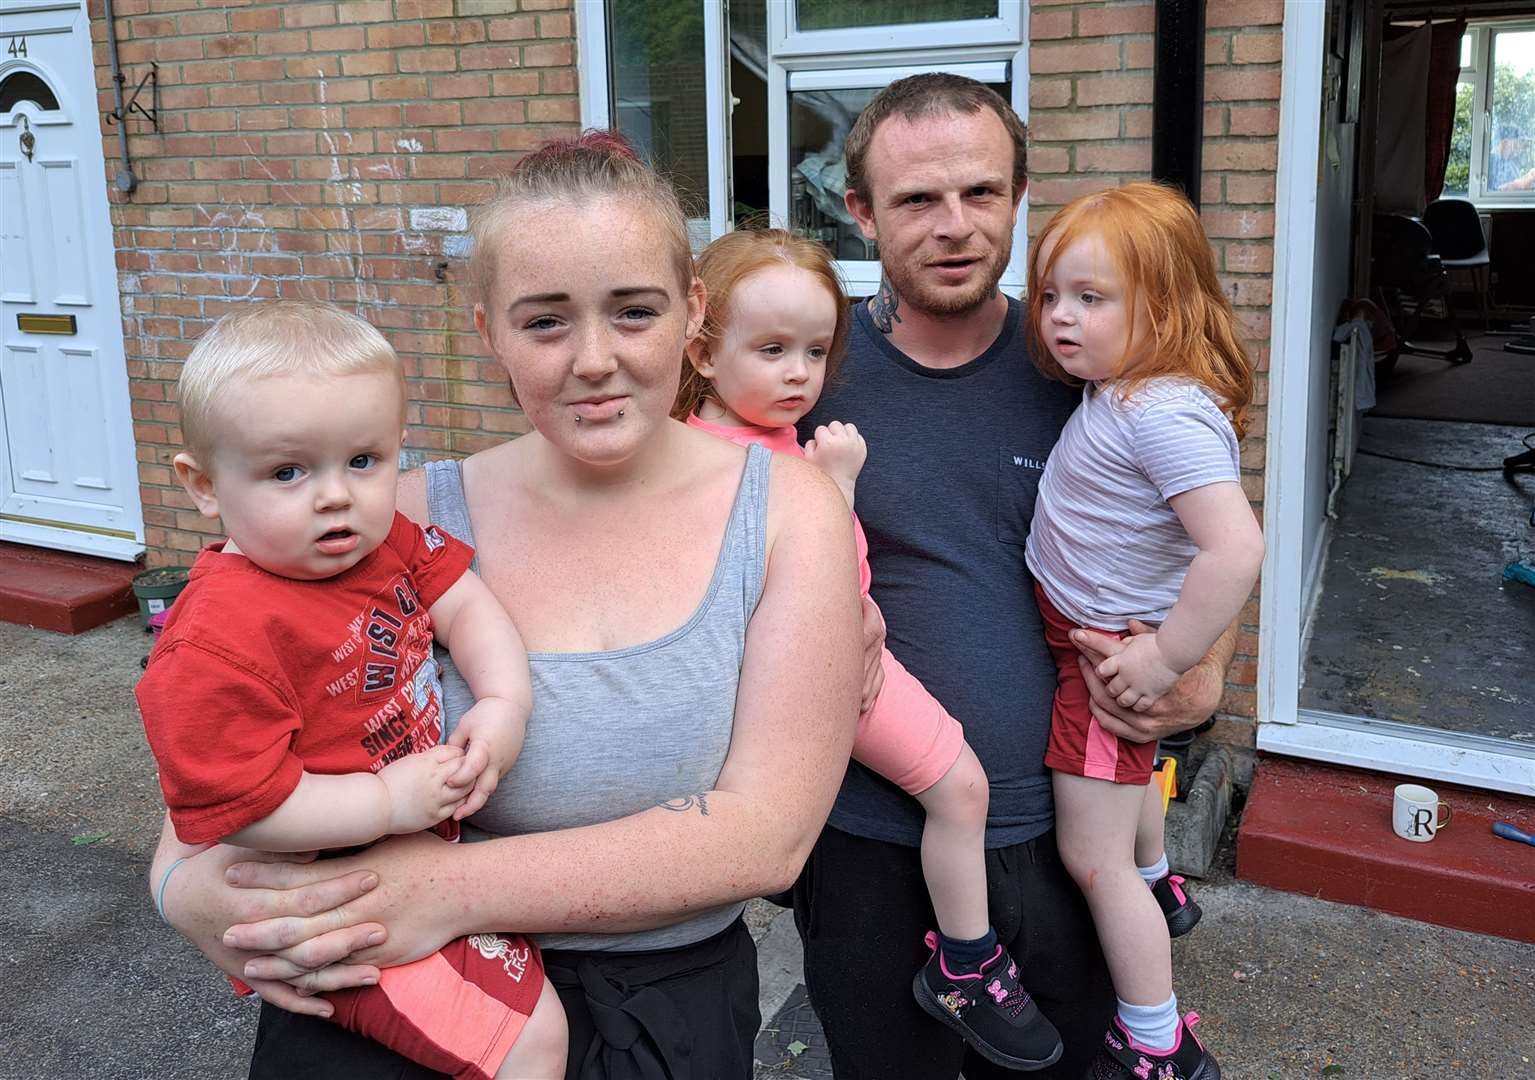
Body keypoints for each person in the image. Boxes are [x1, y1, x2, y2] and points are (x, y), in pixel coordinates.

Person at [145, 131, 865, 1078]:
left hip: (661, 1018)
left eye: (634, 311)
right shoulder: (383, 515)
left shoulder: (786, 511)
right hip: (390, 999)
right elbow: (204, 791)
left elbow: (766, 835)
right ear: (487, 330)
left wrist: (447, 888)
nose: (595, 358)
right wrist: (189, 897)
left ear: (693, 310)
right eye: (544, 322)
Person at [791, 73, 1236, 1079]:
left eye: (980, 193)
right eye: (914, 200)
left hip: (1061, 841)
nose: (953, 226)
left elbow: (1205, 545)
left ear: (1018, 195)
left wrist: (1197, 677)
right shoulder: (803, 372)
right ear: (856, 210)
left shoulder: (1092, 362)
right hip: (865, 842)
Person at [137, 299, 566, 1080]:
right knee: (530, 1044)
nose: (334, 495)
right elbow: (247, 808)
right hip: (327, 896)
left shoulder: (380, 542)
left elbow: (463, 602)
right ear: (204, 485)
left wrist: (506, 703)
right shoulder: (212, 643)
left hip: (409, 864)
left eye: (362, 461)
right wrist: (388, 804)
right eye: (287, 471)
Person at [675, 227, 1062, 1070]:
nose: (798, 375)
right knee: (960, 788)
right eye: (772, 350)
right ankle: (966, 963)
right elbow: (793, 575)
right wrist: (839, 485)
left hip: (839, 665)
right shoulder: (724, 464)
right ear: (701, 352)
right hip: (830, 676)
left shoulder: (745, 440)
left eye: (814, 352)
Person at [1025, 182, 1263, 1080]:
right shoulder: (1125, 387)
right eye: (1050, 295)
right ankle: (1160, 876)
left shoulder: (1159, 412)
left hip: (1095, 660)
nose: (1058, 318)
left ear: (1160, 306)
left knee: (1091, 858)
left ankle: (1154, 1040)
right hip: (1087, 630)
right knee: (1128, 801)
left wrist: (1164, 659)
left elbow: (1234, 549)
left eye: (1090, 298)